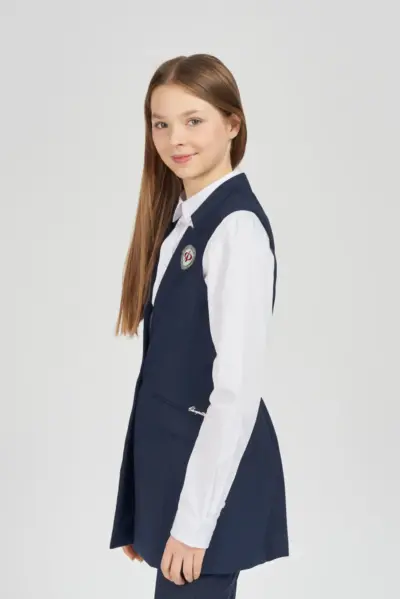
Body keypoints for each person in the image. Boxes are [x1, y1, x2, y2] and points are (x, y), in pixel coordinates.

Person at [109, 53, 289, 598]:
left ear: (232, 124)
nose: (175, 140)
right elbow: (163, 378)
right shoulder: (179, 227)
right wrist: (145, 504)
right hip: (176, 483)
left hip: (209, 498)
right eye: (160, 124)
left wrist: (191, 524)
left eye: (193, 120)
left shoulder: (237, 230)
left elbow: (235, 392)